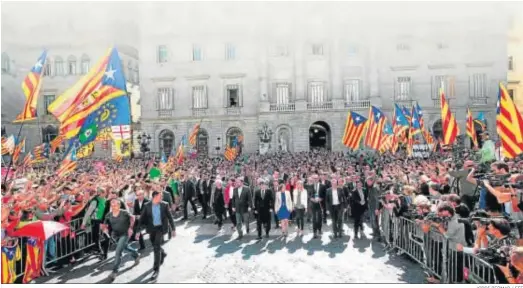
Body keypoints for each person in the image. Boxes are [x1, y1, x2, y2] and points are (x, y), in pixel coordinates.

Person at [137, 191, 176, 280]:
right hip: (151, 229)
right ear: (154, 197)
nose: (161, 198)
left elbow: (170, 217)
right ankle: (163, 253)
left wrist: (173, 229)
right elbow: (142, 218)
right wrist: (138, 231)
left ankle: (156, 270)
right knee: (154, 245)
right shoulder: (147, 205)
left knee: (156, 248)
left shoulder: (164, 205)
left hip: (161, 229)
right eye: (160, 196)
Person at [103, 198, 140, 281]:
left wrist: (130, 228)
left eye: (115, 205)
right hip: (115, 235)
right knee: (125, 247)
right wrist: (105, 229)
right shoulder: (108, 214)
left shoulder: (124, 212)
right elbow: (104, 224)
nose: (113, 206)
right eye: (112, 205)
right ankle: (136, 254)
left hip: (125, 234)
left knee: (118, 251)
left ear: (119, 205)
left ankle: (114, 271)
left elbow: (133, 217)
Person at [309, 174, 324, 238]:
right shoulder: (310, 186)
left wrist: (321, 198)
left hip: (320, 204)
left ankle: (319, 229)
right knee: (314, 218)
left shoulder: (322, 186)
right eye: (314, 178)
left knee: (320, 218)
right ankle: (314, 232)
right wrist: (311, 199)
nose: (315, 179)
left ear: (318, 179)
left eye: (316, 178)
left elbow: (324, 194)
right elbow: (308, 195)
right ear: (313, 179)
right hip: (313, 204)